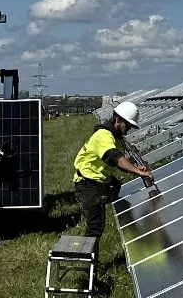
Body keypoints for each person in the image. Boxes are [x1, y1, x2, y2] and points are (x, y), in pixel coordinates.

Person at [72, 101, 153, 256]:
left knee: (117, 190)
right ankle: (87, 262)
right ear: (118, 120)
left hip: (99, 181)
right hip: (87, 184)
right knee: (95, 226)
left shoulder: (117, 137)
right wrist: (138, 172)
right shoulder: (104, 136)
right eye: (127, 125)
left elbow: (119, 163)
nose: (128, 130)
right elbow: (115, 157)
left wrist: (136, 170)